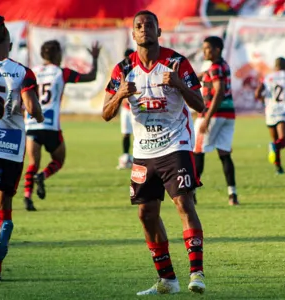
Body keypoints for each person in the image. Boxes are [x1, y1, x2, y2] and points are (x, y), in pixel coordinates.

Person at [102, 10, 207, 295]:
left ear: (159, 32)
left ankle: (196, 273)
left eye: (150, 25)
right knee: (146, 215)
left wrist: (178, 84)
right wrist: (120, 94)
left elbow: (200, 105)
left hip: (176, 145)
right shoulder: (122, 69)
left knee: (183, 204)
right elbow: (106, 113)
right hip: (144, 152)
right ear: (133, 34)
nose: (144, 29)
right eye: (139, 25)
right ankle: (167, 279)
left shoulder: (176, 63)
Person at [0, 15, 44, 281]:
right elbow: (32, 108)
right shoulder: (22, 72)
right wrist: (38, 116)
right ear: (9, 43)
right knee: (4, 201)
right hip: (12, 147)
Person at [23, 40, 101, 211]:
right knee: (59, 160)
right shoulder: (61, 73)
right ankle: (42, 176)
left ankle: (27, 196)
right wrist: (95, 58)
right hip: (50, 126)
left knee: (32, 163)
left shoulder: (32, 72)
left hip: (31, 124)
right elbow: (91, 76)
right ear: (57, 54)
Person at [193, 36, 239, 206]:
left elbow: (218, 92)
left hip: (214, 114)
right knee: (224, 154)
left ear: (217, 50)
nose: (205, 51)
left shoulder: (215, 67)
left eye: (208, 48)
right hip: (228, 115)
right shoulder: (222, 65)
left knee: (198, 152)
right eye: (204, 48)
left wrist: (207, 117)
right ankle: (232, 195)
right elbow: (202, 77)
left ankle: (192, 193)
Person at [255, 57, 285, 174]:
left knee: (276, 140)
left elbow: (257, 94)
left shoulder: (268, 77)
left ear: (275, 66)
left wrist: (264, 100)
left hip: (271, 111)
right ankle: (274, 148)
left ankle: (278, 168)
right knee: (283, 142)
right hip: (284, 111)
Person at [116, 48, 135, 170]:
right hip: (125, 108)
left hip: (136, 107)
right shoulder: (122, 71)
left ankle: (138, 158)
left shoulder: (137, 71)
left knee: (138, 133)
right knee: (126, 133)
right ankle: (126, 156)